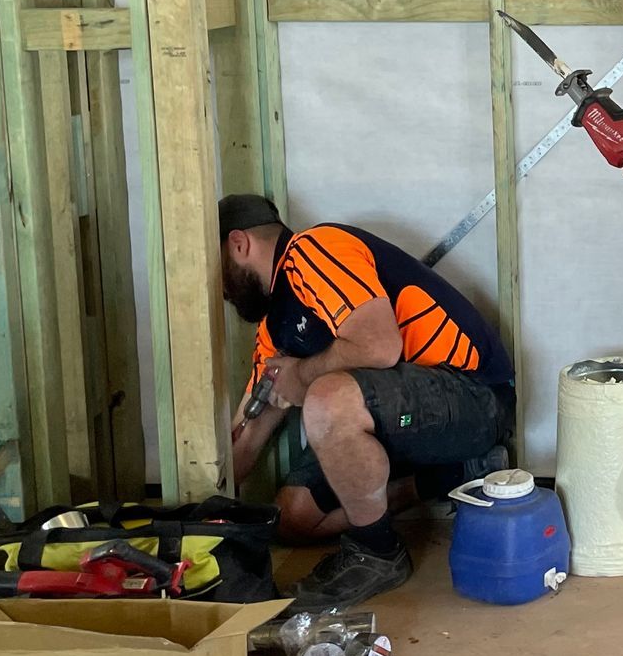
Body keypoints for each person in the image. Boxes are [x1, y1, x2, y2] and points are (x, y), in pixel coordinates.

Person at [220, 194, 515, 609]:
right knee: (291, 516)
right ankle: (456, 475)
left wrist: (301, 376)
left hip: (474, 398)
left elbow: (378, 346)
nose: (220, 290)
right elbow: (249, 435)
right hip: (398, 421)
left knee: (327, 397)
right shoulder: (273, 326)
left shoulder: (314, 250)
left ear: (238, 244)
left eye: (214, 269)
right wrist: (197, 518)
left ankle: (377, 553)